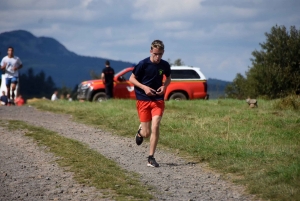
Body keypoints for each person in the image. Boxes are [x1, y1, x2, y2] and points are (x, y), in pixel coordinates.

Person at [129, 40, 171, 167]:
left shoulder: (164, 65)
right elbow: (131, 78)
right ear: (151, 51)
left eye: (161, 54)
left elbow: (168, 78)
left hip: (158, 100)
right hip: (143, 99)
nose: (158, 57)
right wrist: (144, 88)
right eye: (156, 54)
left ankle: (151, 158)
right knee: (146, 133)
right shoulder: (143, 64)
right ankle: (141, 131)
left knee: (156, 125)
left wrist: (164, 86)